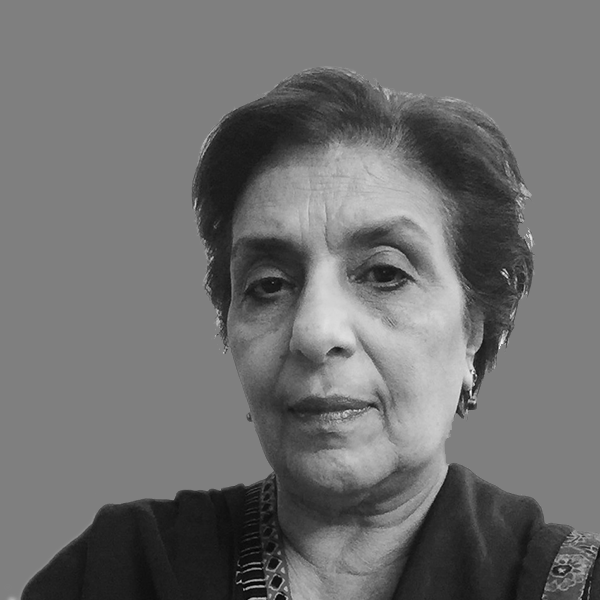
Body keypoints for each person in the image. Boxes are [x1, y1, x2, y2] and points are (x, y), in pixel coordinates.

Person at [23, 67, 599, 600]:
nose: (315, 332)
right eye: (269, 285)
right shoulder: (118, 572)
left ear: (474, 329)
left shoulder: (566, 583)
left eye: (385, 274)